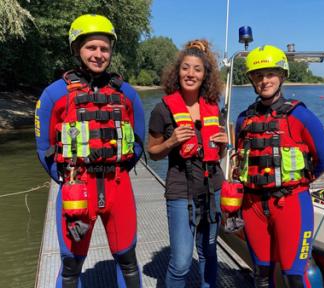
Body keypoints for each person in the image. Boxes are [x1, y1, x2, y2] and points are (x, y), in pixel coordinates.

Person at [34, 14, 145, 287]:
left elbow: (139, 142)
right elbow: (42, 147)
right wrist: (65, 179)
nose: (98, 54)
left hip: (118, 185)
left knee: (127, 258)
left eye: (104, 48)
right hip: (77, 188)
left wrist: (117, 168)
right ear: (77, 49)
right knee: (71, 265)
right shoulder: (54, 94)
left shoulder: (127, 94)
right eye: (91, 48)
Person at [234, 45, 324, 288]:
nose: (264, 80)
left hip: (290, 204)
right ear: (251, 80)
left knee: (295, 276)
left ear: (282, 76)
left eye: (270, 74)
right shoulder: (243, 119)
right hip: (253, 206)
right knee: (261, 274)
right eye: (258, 75)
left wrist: (295, 184)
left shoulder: (301, 116)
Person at [147, 39, 227, 288]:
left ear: (205, 76)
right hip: (181, 190)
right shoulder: (162, 110)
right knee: (181, 261)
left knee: (209, 253)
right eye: (185, 68)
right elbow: (153, 152)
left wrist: (224, 145)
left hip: (213, 188)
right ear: (177, 71)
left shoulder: (214, 108)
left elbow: (218, 154)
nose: (190, 74)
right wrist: (171, 141)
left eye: (197, 69)